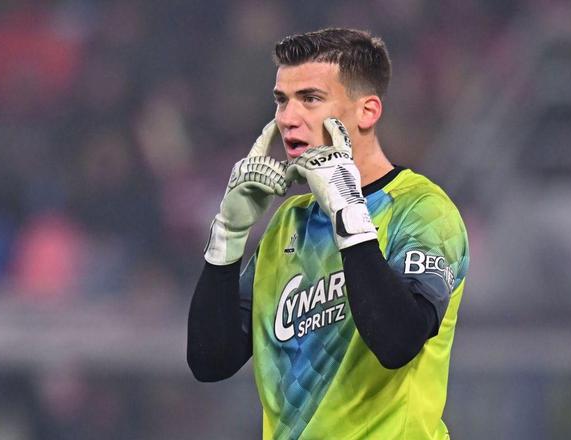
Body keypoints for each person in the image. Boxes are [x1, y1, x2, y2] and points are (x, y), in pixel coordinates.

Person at [187, 28, 469, 440]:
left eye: (310, 99)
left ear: (367, 112)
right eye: (281, 100)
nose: (288, 118)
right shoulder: (289, 221)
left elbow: (398, 342)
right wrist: (227, 237)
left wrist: (348, 212)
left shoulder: (422, 210)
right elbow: (210, 361)